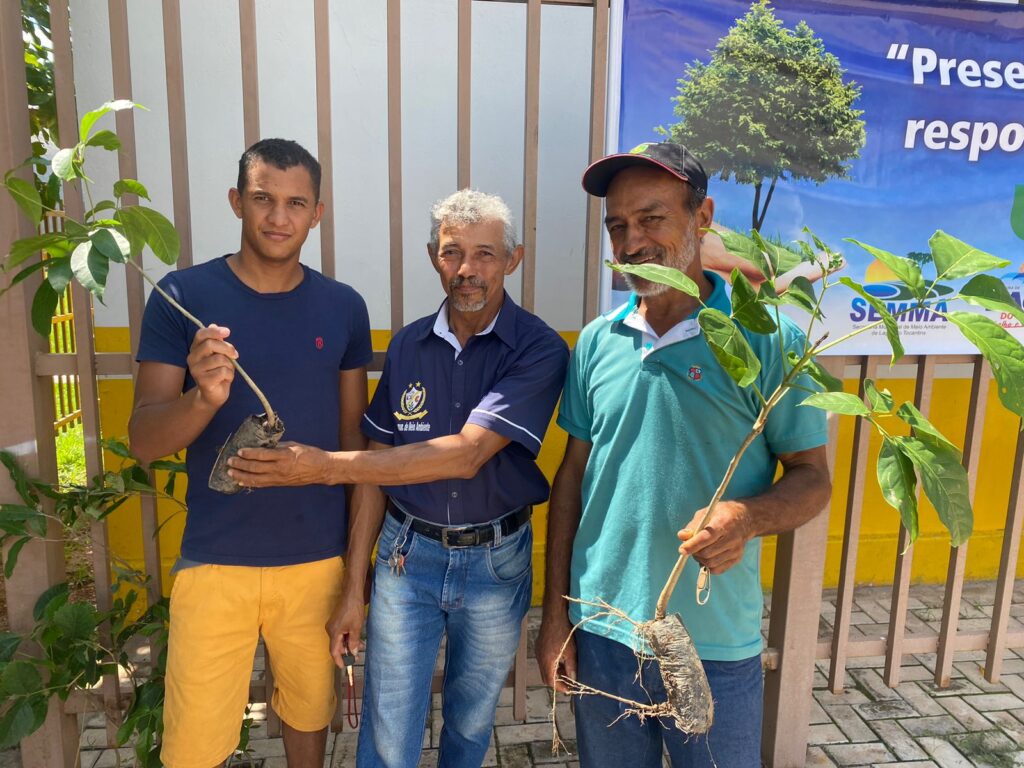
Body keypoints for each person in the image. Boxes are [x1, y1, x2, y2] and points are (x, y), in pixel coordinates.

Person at [226, 189, 569, 768]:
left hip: (495, 562)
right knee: (388, 726)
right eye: (452, 252)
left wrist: (323, 466)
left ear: (513, 260)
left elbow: (467, 455)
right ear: (433, 257)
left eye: (485, 254)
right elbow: (377, 464)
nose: (466, 269)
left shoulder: (538, 348)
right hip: (407, 557)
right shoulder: (408, 344)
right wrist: (353, 588)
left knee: (470, 723)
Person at [535, 142, 832, 767]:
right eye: (618, 225)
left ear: (703, 217)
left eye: (652, 218)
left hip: (713, 639)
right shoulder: (597, 341)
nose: (632, 241)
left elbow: (812, 479)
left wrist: (746, 517)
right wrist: (557, 616)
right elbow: (573, 476)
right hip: (604, 629)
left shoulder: (766, 340)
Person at [128, 138, 372, 768]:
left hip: (316, 561)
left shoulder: (344, 308)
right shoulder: (182, 297)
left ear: (317, 213)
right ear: (237, 201)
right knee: (193, 745)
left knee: (309, 716)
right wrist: (204, 399)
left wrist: (354, 576)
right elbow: (144, 441)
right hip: (215, 562)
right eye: (263, 198)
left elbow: (355, 450)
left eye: (296, 203)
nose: (278, 217)